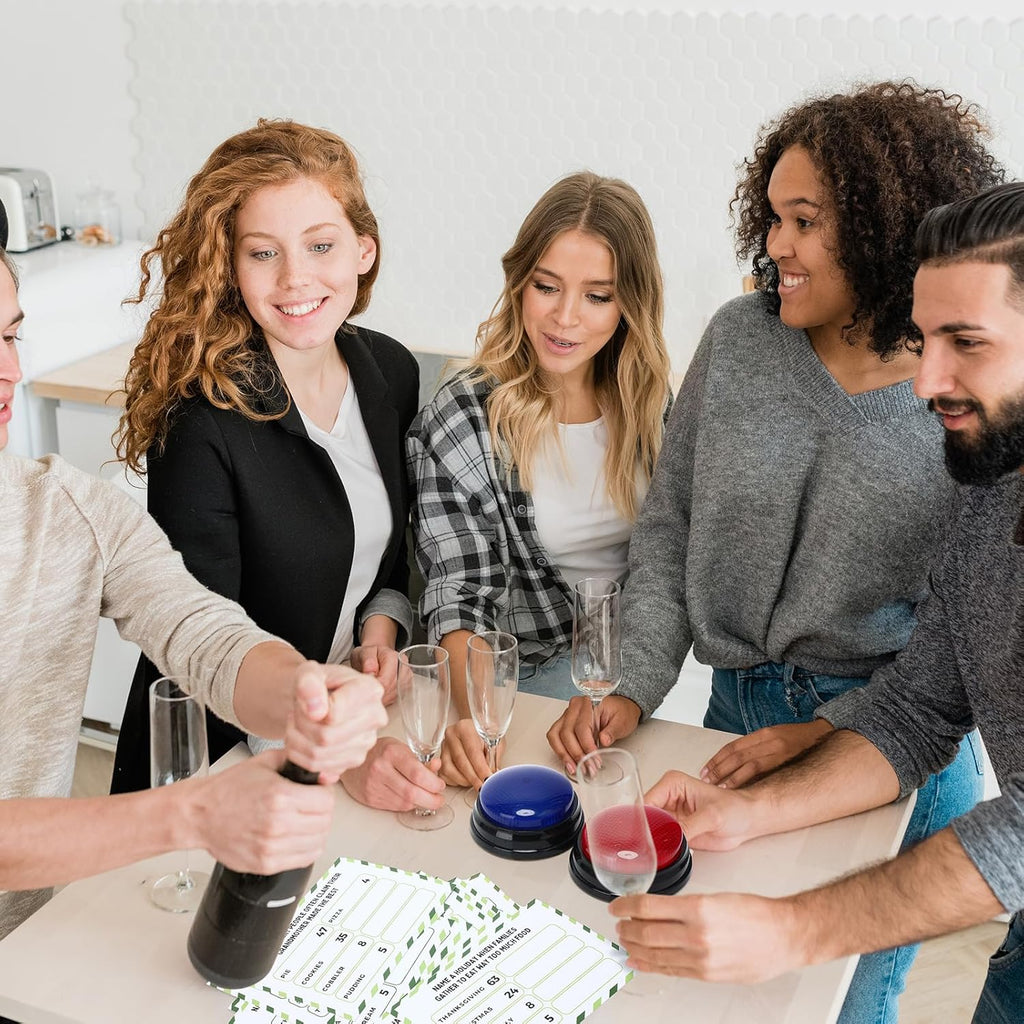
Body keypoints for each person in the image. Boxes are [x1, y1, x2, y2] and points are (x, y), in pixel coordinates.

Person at [547, 81, 1004, 1023]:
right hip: (740, 721)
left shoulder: (971, 420)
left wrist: (839, 736)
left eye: (806, 220)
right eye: (773, 216)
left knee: (837, 1006)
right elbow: (671, 526)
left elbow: (937, 700)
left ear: (881, 229)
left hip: (884, 740)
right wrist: (636, 679)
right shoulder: (741, 341)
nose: (776, 245)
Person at [0, 233, 387, 942]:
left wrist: (304, 695)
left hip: (29, 944)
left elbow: (202, 633)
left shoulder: (70, 512)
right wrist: (190, 812)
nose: (8, 371)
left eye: (9, 335)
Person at [110, 119, 442, 814]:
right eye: (263, 253)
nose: (295, 279)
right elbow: (203, 645)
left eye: (320, 245)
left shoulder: (390, 371)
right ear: (230, 267)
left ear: (363, 250)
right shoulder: (199, 422)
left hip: (339, 730)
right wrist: (331, 755)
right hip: (217, 763)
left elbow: (384, 560)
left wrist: (379, 632)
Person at [408, 171, 671, 790]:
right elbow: (460, 592)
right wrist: (480, 713)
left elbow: (672, 573)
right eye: (546, 287)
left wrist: (631, 685)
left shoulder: (657, 409)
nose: (564, 318)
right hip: (521, 682)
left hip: (644, 678)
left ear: (631, 303)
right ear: (519, 283)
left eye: (598, 296)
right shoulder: (466, 414)